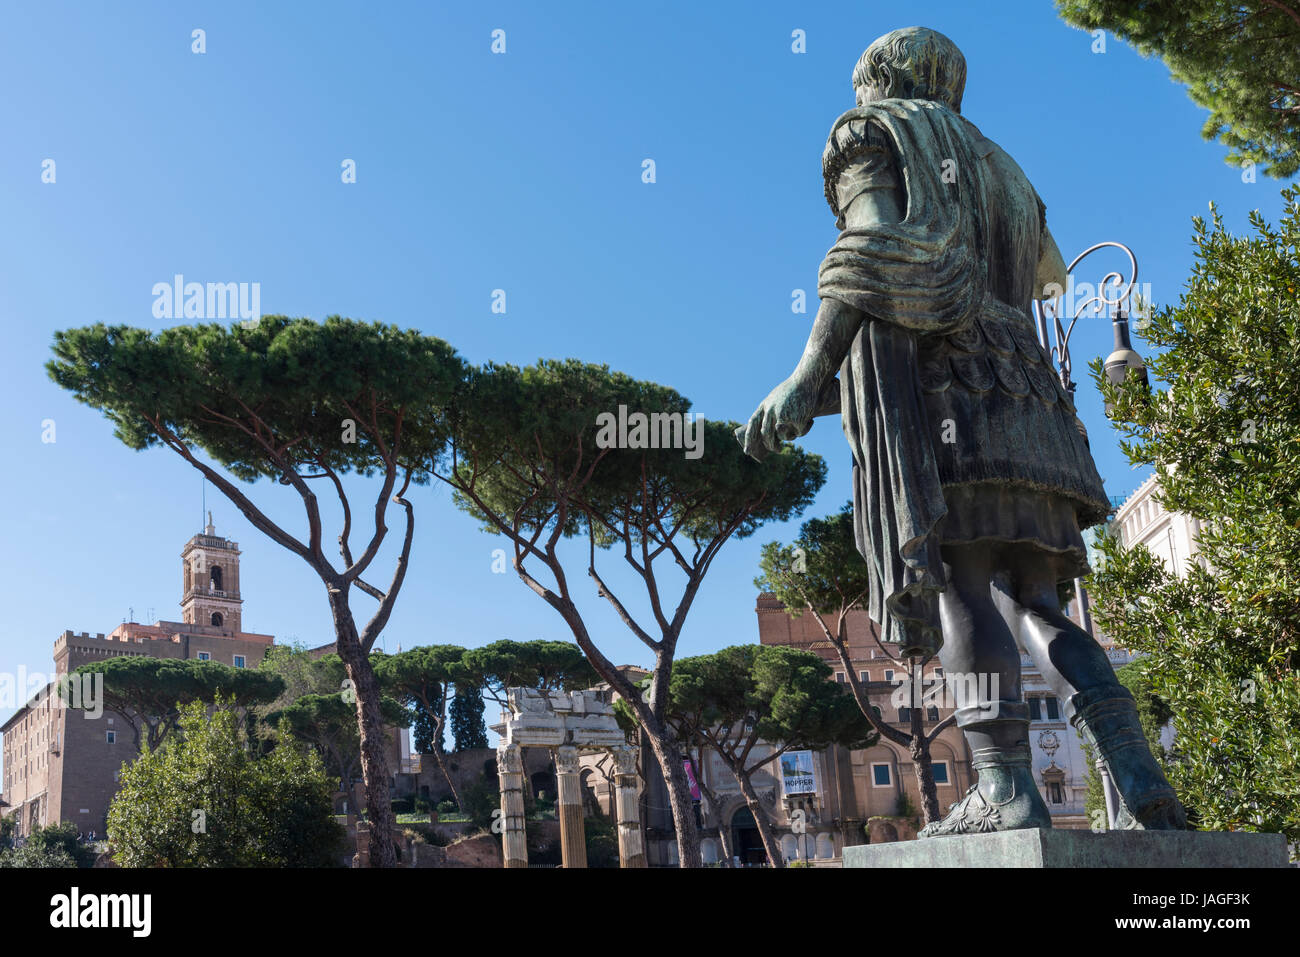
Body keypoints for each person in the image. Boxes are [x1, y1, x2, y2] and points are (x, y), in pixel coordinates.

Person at [738, 26, 1185, 835]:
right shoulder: (1009, 171)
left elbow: (870, 248)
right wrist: (841, 393)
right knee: (1040, 604)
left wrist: (807, 373)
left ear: (875, 79)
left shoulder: (868, 130)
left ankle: (1003, 783)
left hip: (950, 408)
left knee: (966, 584)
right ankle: (1141, 773)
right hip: (1032, 404)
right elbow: (1044, 283)